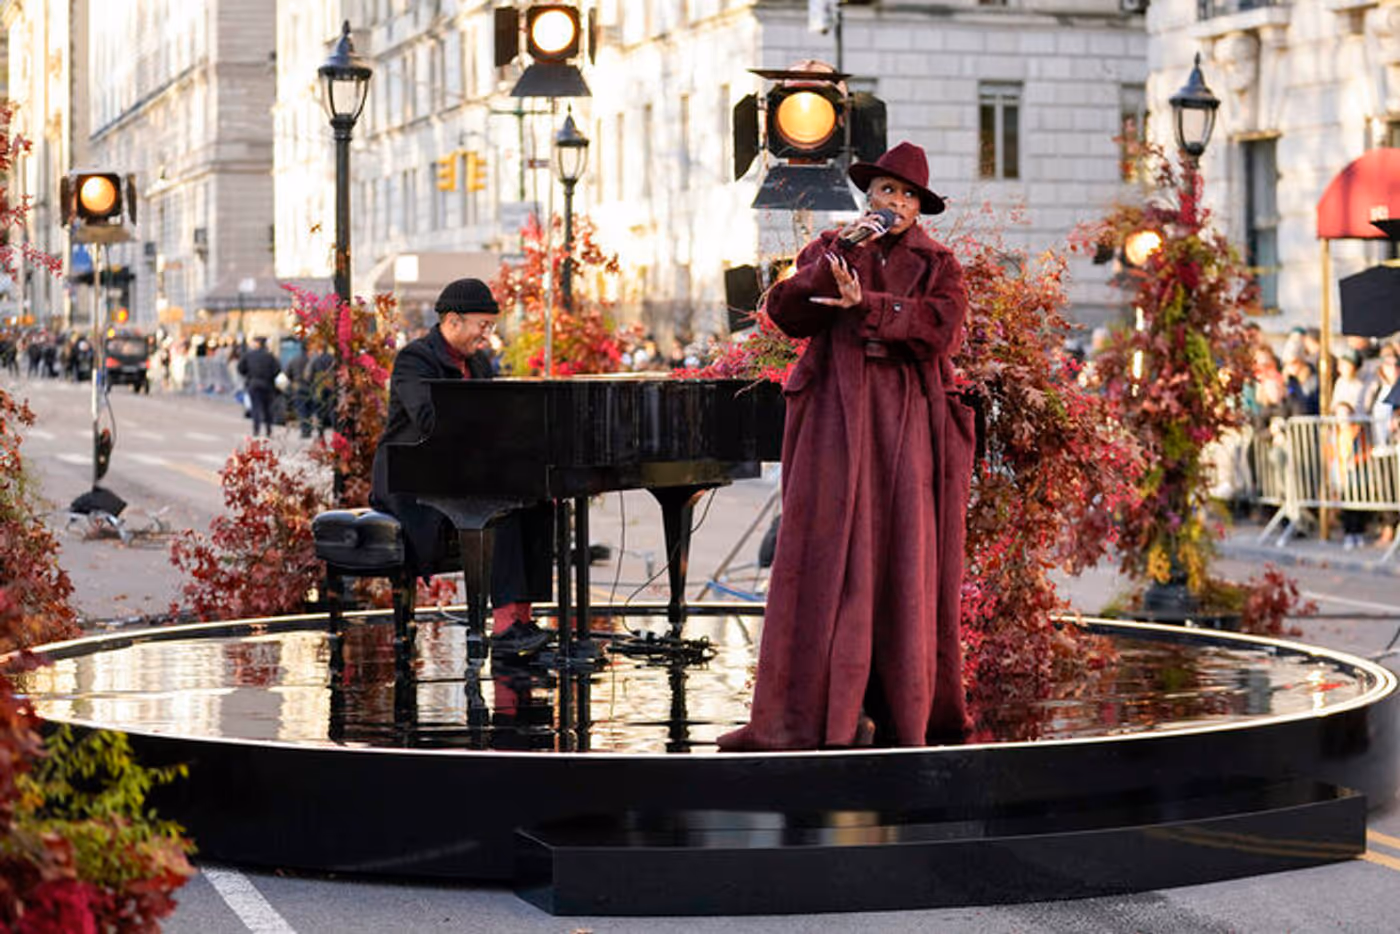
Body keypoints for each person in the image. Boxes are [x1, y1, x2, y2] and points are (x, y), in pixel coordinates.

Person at [718, 142, 976, 751]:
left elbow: (943, 328)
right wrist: (836, 256)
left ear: (920, 209)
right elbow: (785, 312)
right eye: (888, 191)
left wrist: (875, 307)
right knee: (829, 554)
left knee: (898, 558)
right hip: (834, 419)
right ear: (870, 196)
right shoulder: (833, 248)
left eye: (909, 196)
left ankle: (894, 709)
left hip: (904, 423)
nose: (897, 203)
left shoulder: (940, 263)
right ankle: (815, 713)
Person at [369, 278, 554, 658]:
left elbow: (497, 416)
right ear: (453, 321)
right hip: (411, 481)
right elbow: (429, 420)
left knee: (536, 499)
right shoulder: (414, 359)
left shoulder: (479, 362)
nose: (487, 336)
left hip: (461, 475)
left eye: (490, 327)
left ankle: (522, 616)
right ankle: (504, 627)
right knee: (497, 506)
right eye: (482, 326)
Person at [237, 336, 282, 438]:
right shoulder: (270, 356)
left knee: (256, 407)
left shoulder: (249, 355)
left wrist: (248, 375)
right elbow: (277, 370)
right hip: (267, 385)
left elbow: (240, 368)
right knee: (267, 408)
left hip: (253, 383)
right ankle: (268, 430)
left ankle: (256, 430)